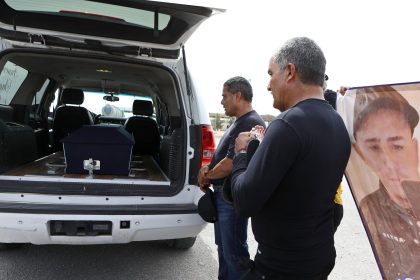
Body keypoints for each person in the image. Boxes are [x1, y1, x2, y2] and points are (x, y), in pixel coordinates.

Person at [228, 37, 351, 279]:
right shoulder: (339, 124)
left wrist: (242, 152)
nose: (267, 85)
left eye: (271, 73)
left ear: (290, 72)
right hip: (318, 258)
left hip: (281, 267)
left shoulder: (287, 124)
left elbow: (244, 202)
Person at [197, 76, 266, 280]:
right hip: (223, 198)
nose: (221, 101)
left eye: (224, 96)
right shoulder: (239, 122)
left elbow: (231, 164)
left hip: (231, 199)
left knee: (234, 254)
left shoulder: (252, 122)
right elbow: (223, 156)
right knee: (225, 251)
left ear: (238, 96)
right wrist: (207, 168)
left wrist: (206, 176)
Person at [352, 87, 420, 279]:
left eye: (397, 146)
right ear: (361, 155)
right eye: (374, 148)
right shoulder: (370, 208)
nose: (388, 162)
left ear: (414, 149)